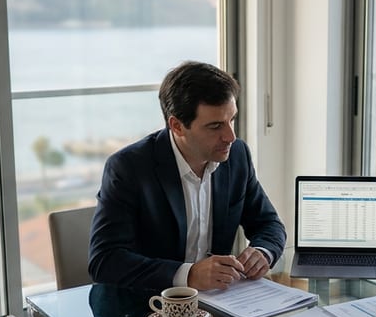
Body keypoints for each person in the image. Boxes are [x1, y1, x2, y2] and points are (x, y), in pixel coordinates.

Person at [87, 61, 286, 293]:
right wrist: (188, 275)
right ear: (177, 126)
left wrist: (263, 251)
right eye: (215, 126)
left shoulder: (237, 156)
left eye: (232, 120)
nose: (230, 136)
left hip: (220, 306)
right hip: (147, 306)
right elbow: (105, 260)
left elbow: (269, 224)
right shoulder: (128, 168)